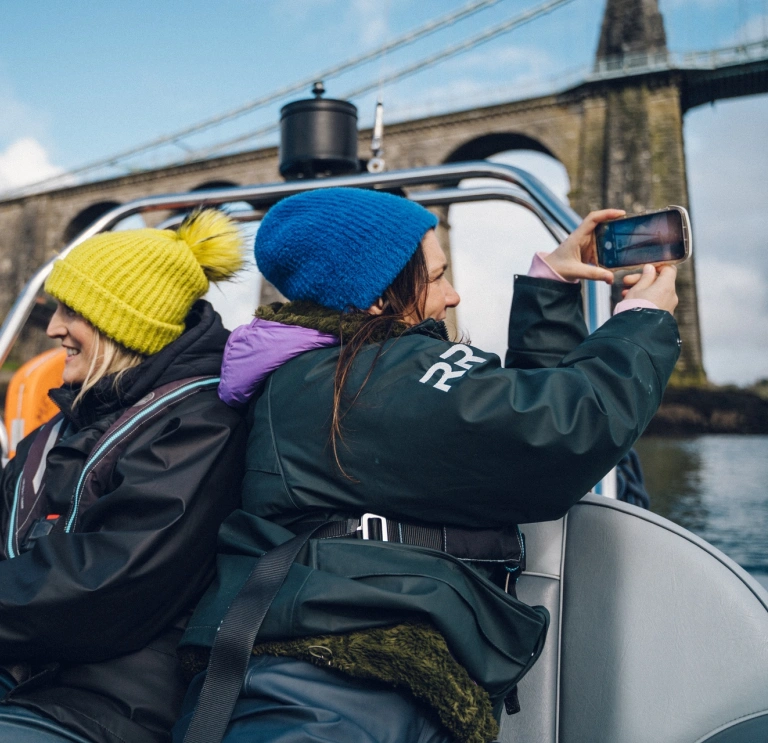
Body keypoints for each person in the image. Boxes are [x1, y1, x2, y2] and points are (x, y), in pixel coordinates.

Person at [174, 188, 680, 743]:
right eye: (436, 276)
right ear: (372, 297)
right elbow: (562, 429)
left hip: (334, 658)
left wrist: (548, 287)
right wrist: (641, 322)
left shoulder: (333, 372)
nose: (453, 294)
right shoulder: (370, 376)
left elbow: (504, 428)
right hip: (331, 691)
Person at [0, 211, 248, 743]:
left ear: (125, 323)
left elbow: (109, 587)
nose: (52, 328)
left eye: (72, 310)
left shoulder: (199, 425)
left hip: (102, 707)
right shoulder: (59, 429)